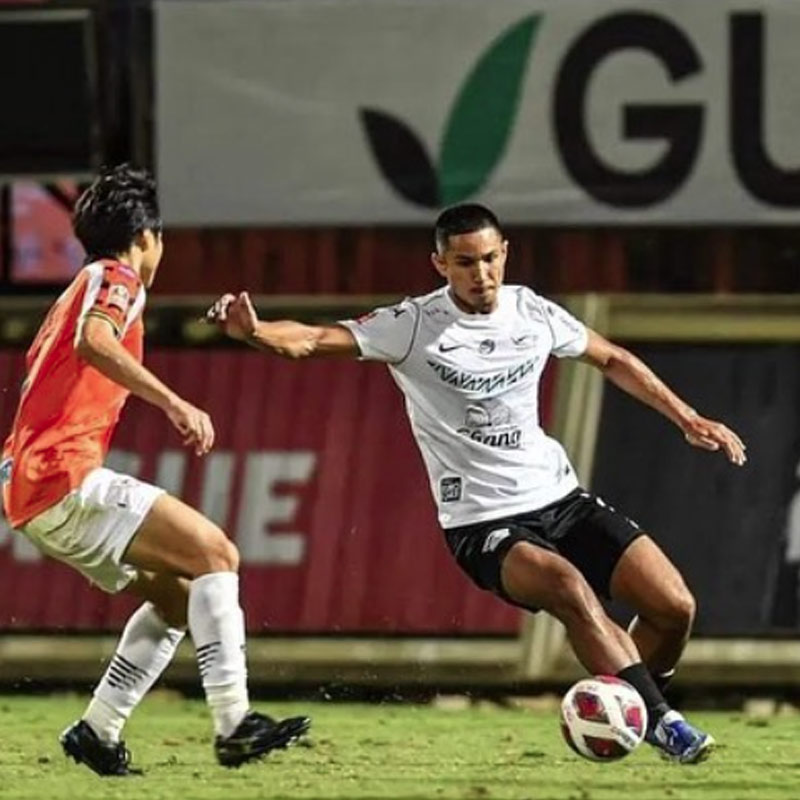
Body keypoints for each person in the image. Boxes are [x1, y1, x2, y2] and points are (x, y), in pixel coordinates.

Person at [208, 203, 746, 764]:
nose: (481, 274)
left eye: (490, 259)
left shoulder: (531, 311)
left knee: (674, 607)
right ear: (439, 263)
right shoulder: (413, 325)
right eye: (465, 262)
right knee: (568, 589)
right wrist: (258, 332)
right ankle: (663, 723)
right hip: (482, 522)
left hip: (561, 499)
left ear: (505, 252)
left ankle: (627, 706)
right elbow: (317, 339)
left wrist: (688, 417)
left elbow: (610, 357)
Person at [0, 165, 310, 776]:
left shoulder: (78, 287)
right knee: (217, 555)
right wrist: (174, 402)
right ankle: (234, 721)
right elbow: (96, 340)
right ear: (147, 238)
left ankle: (98, 729)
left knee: (176, 600)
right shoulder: (117, 276)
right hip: (62, 477)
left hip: (29, 488)